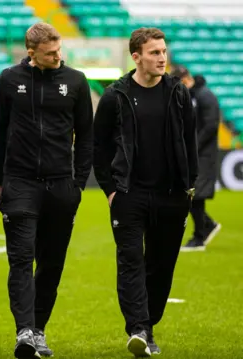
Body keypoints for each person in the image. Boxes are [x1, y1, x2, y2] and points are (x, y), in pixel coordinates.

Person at [0, 22, 93, 358]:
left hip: (61, 186)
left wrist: (77, 184)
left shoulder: (76, 81)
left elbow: (86, 136)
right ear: (31, 52)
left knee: (51, 264)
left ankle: (38, 329)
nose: (57, 57)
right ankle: (24, 332)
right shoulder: (9, 80)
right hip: (19, 183)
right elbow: (0, 131)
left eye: (59, 50)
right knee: (21, 260)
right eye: (50, 53)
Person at [93, 28, 198, 357]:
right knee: (130, 261)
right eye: (154, 52)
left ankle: (148, 325)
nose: (162, 57)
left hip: (172, 195)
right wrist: (111, 190)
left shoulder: (178, 93)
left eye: (164, 51)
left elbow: (190, 140)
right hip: (129, 194)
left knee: (162, 264)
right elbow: (99, 147)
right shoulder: (115, 95)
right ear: (136, 57)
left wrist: (189, 184)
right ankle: (137, 328)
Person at [171, 65, 222, 252]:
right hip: (196, 153)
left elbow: (210, 126)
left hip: (204, 154)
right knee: (190, 194)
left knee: (194, 194)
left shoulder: (205, 96)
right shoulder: (194, 96)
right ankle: (206, 226)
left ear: (184, 79)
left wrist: (192, 147)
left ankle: (200, 236)